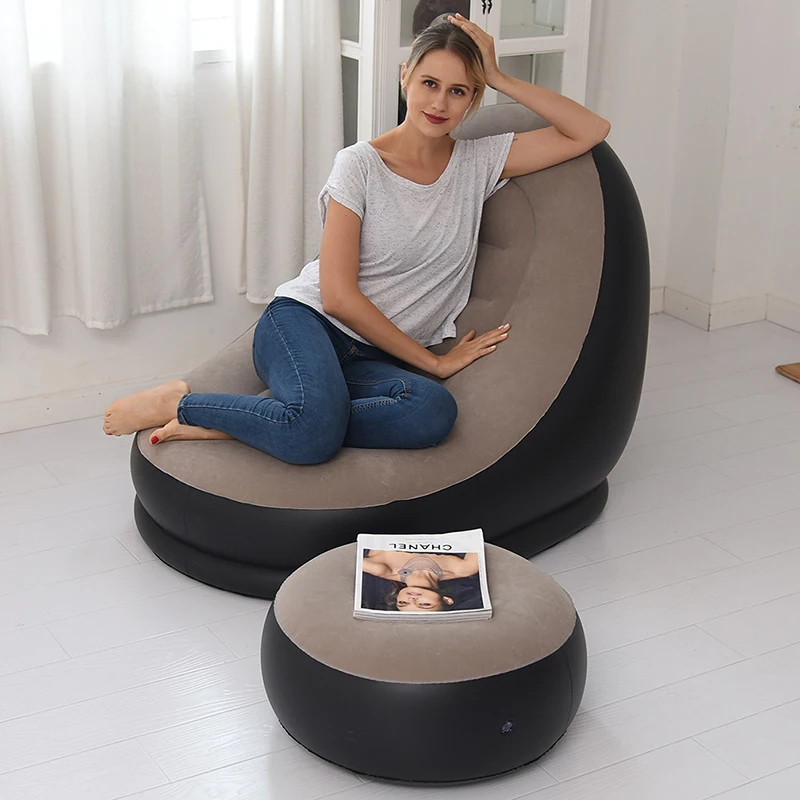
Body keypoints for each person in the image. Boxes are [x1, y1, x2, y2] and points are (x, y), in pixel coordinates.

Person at [102, 13, 610, 465]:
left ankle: (273, 418)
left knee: (431, 412)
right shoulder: (359, 165)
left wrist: (497, 75)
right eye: (429, 82)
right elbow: (338, 297)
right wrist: (433, 362)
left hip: (374, 358)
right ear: (405, 76)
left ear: (473, 100)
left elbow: (589, 130)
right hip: (305, 324)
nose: (439, 102)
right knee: (314, 436)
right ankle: (183, 404)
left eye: (459, 91)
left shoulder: (479, 163)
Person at [360, 548, 483, 612]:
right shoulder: (465, 569)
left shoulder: (382, 569)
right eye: (424, 605)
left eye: (403, 603)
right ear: (447, 600)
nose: (412, 599)